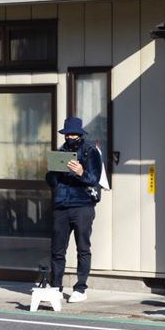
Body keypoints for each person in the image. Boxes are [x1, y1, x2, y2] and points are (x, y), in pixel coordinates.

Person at [47, 117, 103, 303]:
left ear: (80, 134)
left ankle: (80, 288)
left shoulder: (90, 151)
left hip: (83, 205)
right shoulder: (60, 152)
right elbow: (51, 182)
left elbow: (94, 179)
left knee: (83, 248)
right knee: (57, 250)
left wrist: (80, 172)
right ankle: (55, 286)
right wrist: (54, 172)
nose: (71, 137)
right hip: (61, 205)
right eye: (68, 134)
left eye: (75, 134)